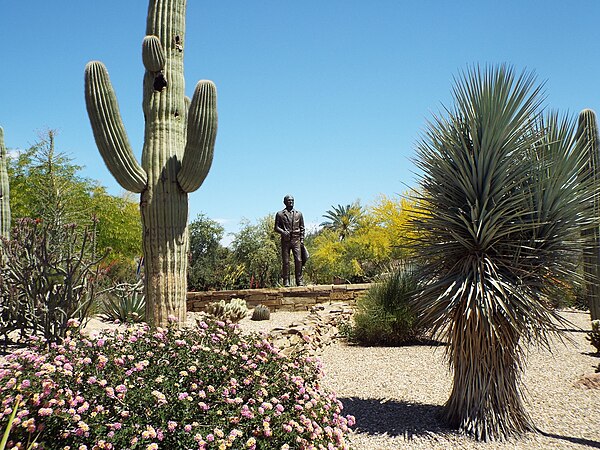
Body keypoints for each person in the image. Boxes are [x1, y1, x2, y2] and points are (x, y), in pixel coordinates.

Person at [274, 195, 305, 287]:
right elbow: (276, 227)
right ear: (284, 202)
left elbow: (302, 228)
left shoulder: (299, 213)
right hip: (285, 240)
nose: (291, 202)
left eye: (292, 200)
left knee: (298, 260)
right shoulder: (280, 214)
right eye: (289, 200)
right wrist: (283, 232)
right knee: (286, 261)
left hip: (296, 240)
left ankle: (299, 280)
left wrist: (302, 240)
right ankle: (286, 281)